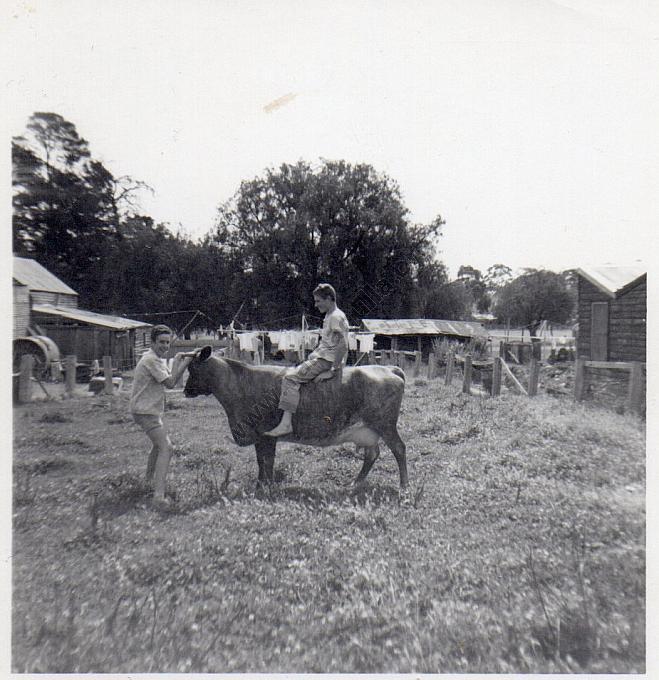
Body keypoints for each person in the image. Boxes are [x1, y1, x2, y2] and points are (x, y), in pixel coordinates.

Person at [265, 283, 349, 437]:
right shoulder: (332, 315)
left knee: (290, 378)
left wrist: (333, 370)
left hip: (326, 362)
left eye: (318, 301)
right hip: (323, 358)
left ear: (329, 298)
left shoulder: (335, 317)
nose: (316, 305)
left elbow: (343, 344)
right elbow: (329, 343)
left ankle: (286, 424)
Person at [129, 325, 193, 508]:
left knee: (157, 447)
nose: (165, 346)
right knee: (167, 448)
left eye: (167, 342)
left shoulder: (153, 358)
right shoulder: (152, 360)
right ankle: (158, 496)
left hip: (147, 410)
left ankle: (148, 483)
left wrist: (180, 357)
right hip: (145, 411)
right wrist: (187, 362)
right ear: (153, 342)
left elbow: (168, 374)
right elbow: (171, 383)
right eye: (161, 342)